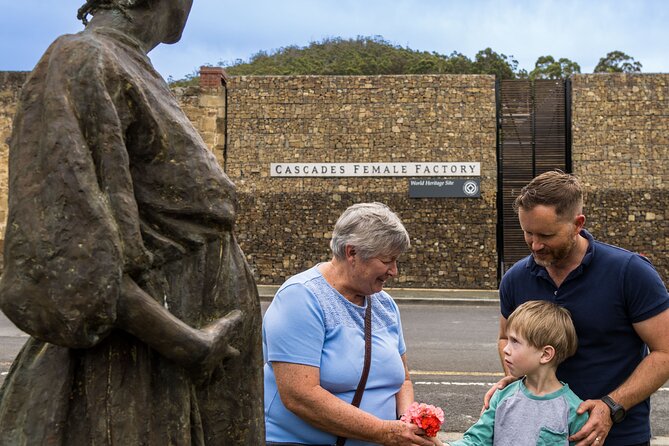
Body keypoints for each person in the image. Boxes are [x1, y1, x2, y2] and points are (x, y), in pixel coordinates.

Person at [0, 0, 264, 444]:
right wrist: (184, 342)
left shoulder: (133, 67)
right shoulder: (80, 57)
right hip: (138, 370)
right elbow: (64, 250)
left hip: (187, 369)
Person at [487, 170, 669, 446]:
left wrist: (611, 406)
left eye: (546, 235)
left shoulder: (629, 273)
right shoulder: (515, 279)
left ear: (577, 224)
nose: (535, 245)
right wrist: (515, 378)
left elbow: (665, 352)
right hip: (537, 437)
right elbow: (505, 338)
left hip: (617, 438)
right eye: (527, 232)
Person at [263, 202, 434, 446]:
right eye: (387, 260)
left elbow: (402, 380)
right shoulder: (300, 298)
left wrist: (409, 422)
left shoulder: (384, 304)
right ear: (351, 252)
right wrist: (384, 432)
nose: (394, 271)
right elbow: (299, 395)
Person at [433, 300, 588, 446]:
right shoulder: (502, 397)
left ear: (545, 354)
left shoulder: (574, 411)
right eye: (507, 340)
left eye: (515, 341)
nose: (506, 349)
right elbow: (476, 440)